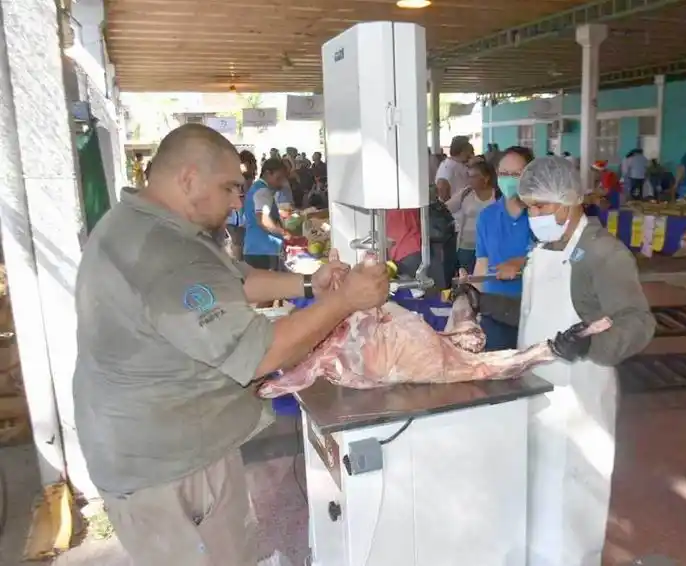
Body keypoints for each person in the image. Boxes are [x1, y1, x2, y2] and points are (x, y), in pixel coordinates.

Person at [73, 123, 389, 565]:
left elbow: (231, 279)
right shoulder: (160, 250)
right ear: (187, 178)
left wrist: (307, 284)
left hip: (166, 443)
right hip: (166, 469)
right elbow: (261, 353)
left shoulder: (149, 224)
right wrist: (344, 300)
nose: (237, 202)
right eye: (229, 188)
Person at [515, 155, 655, 566]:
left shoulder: (603, 254)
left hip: (581, 394)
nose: (533, 215)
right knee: (540, 490)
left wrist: (589, 347)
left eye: (540, 207)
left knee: (575, 493)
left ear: (569, 200)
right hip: (538, 387)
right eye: (529, 207)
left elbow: (639, 323)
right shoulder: (546, 247)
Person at [473, 146, 535, 350]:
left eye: (517, 174)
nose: (509, 179)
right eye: (504, 174)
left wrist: (522, 263)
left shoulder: (541, 216)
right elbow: (482, 265)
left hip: (533, 307)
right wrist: (471, 297)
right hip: (495, 309)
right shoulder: (487, 217)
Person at [445, 160, 498, 273]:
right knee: (467, 279)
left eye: (474, 176)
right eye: (468, 176)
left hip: (490, 247)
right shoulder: (466, 193)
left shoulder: (497, 196)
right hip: (466, 247)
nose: (470, 180)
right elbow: (447, 208)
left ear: (486, 178)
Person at [242, 157, 290, 272]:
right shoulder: (263, 191)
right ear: (268, 173)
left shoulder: (256, 188)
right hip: (264, 250)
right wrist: (284, 233)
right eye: (279, 178)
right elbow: (263, 220)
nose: (281, 183)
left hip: (254, 248)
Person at [435, 135, 473, 202]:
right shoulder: (447, 167)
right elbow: (441, 186)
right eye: (469, 148)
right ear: (463, 150)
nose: (471, 153)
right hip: (455, 211)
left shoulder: (462, 164)